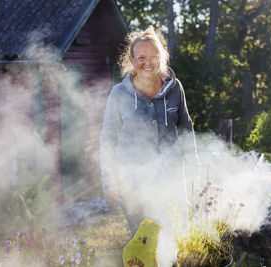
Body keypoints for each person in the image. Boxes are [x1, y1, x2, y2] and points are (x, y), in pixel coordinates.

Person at [99, 26, 198, 265]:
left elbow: (186, 128)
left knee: (170, 243)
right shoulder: (119, 94)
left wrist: (195, 174)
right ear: (132, 60)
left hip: (170, 181)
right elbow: (107, 139)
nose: (148, 63)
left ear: (163, 58)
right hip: (133, 183)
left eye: (154, 57)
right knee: (142, 245)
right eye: (141, 57)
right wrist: (109, 181)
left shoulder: (175, 89)